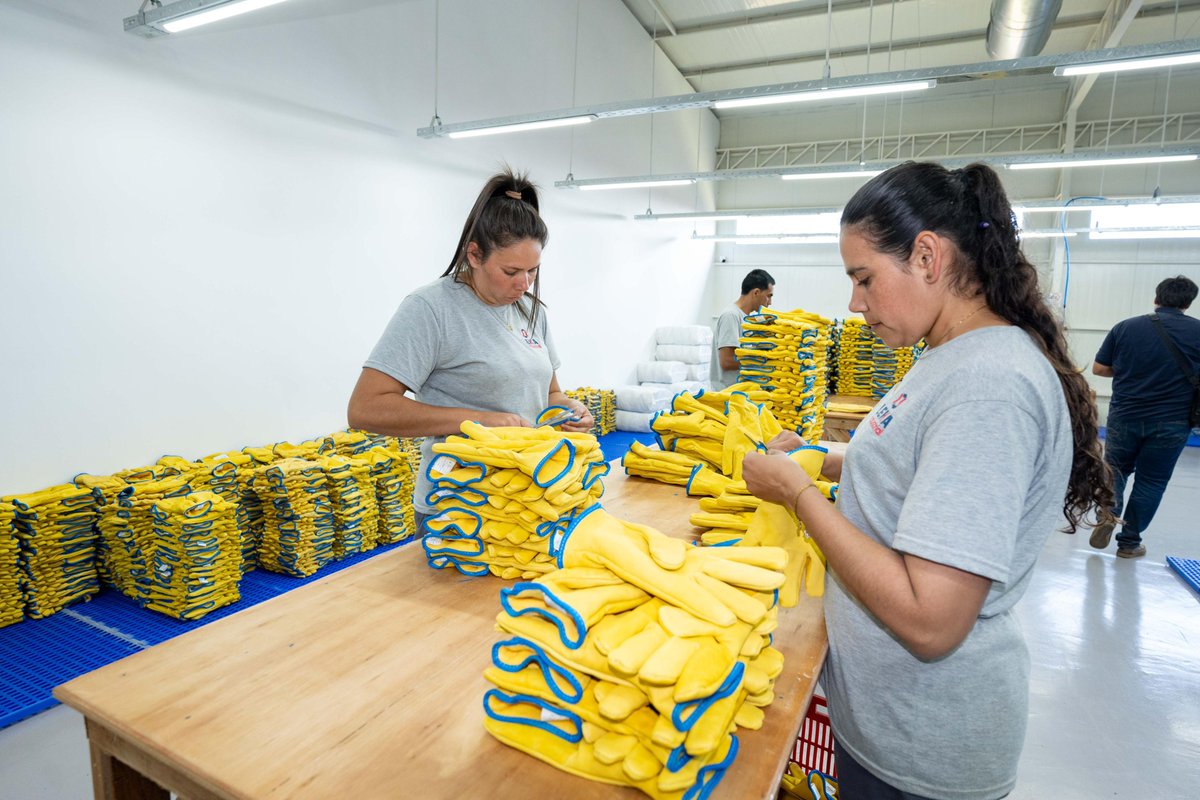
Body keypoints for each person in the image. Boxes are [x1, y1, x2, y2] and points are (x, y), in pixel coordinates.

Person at [740, 162, 1111, 800]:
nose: (855, 303)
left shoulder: (988, 389)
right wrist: (822, 457)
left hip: (924, 746)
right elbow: (919, 467)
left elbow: (930, 620)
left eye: (864, 278)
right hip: (891, 725)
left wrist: (798, 495)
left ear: (928, 256)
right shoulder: (952, 355)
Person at [347, 169, 593, 524]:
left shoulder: (531, 310)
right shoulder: (431, 308)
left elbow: (549, 394)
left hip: (527, 498)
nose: (523, 284)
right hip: (459, 507)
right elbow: (365, 408)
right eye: (510, 272)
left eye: (533, 271)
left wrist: (569, 410)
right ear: (474, 255)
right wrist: (477, 420)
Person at [1089, 275, 1200, 558]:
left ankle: (1108, 514)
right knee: (1152, 481)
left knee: (1116, 468)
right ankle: (1129, 543)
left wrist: (1131, 371)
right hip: (1173, 421)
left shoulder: (1125, 327)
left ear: (1156, 298)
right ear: (1188, 303)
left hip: (1125, 415)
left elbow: (1100, 369)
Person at [710, 269, 774, 389]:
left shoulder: (747, 319)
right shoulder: (731, 316)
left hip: (741, 393)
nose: (770, 302)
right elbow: (726, 361)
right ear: (756, 293)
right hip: (727, 395)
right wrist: (762, 363)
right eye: (768, 296)